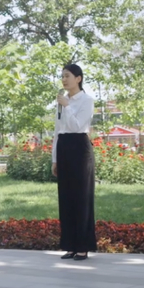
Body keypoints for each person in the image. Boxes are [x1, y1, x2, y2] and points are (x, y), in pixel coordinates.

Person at [52, 64, 96, 260]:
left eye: (67, 76)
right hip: (63, 147)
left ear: (78, 78)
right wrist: (54, 159)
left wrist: (67, 107)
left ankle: (83, 246)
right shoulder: (62, 101)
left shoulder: (87, 101)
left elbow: (78, 127)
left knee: (81, 197)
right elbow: (57, 131)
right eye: (62, 76)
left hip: (79, 148)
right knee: (66, 197)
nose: (64, 79)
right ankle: (70, 245)